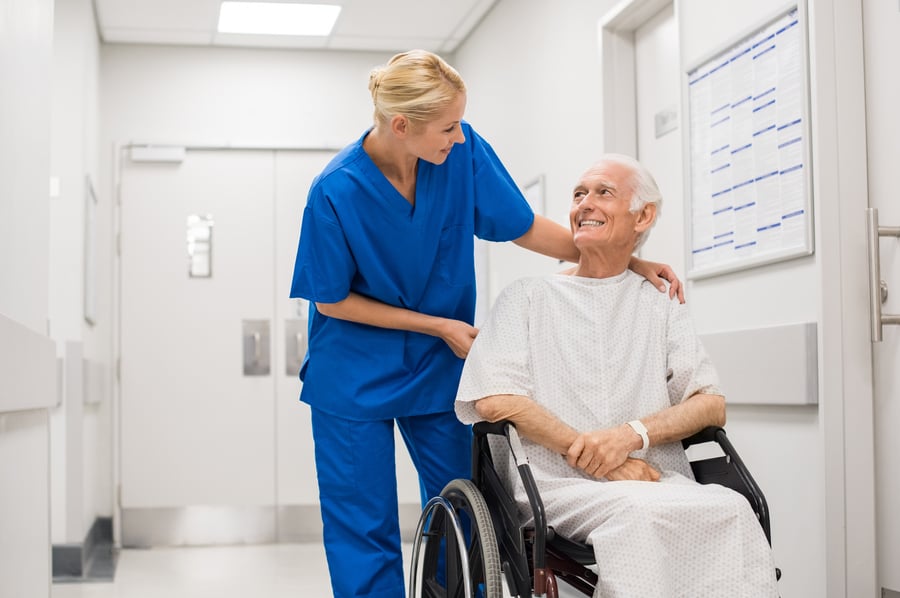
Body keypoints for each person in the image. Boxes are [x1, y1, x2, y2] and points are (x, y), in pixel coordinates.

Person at [289, 51, 683, 598]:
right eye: (447, 127)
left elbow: (523, 227)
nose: (458, 136)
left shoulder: (461, 152)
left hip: (436, 369)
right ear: (402, 126)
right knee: (363, 525)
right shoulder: (335, 189)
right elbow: (331, 301)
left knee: (461, 509)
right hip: (353, 372)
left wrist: (622, 257)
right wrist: (439, 326)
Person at [455, 154, 779, 597]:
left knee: (732, 508)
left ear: (642, 216)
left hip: (654, 478)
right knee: (637, 516)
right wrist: (600, 459)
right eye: (578, 194)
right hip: (554, 483)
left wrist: (630, 436)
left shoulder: (660, 301)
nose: (584, 204)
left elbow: (710, 403)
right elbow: (495, 399)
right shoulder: (527, 297)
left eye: (603, 192)